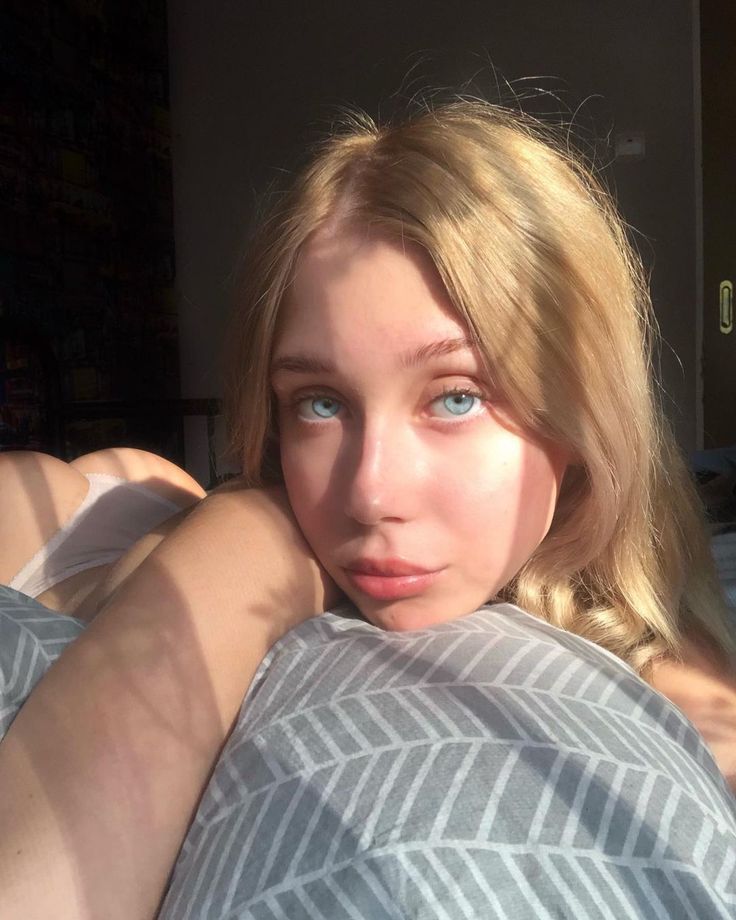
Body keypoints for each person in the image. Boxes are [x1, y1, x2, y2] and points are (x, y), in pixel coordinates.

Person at [1, 96, 735, 918]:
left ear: (582, 415)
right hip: (86, 516)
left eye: (456, 397)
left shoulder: (684, 690)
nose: (369, 493)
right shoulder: (253, 528)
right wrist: (248, 527)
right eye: (319, 403)